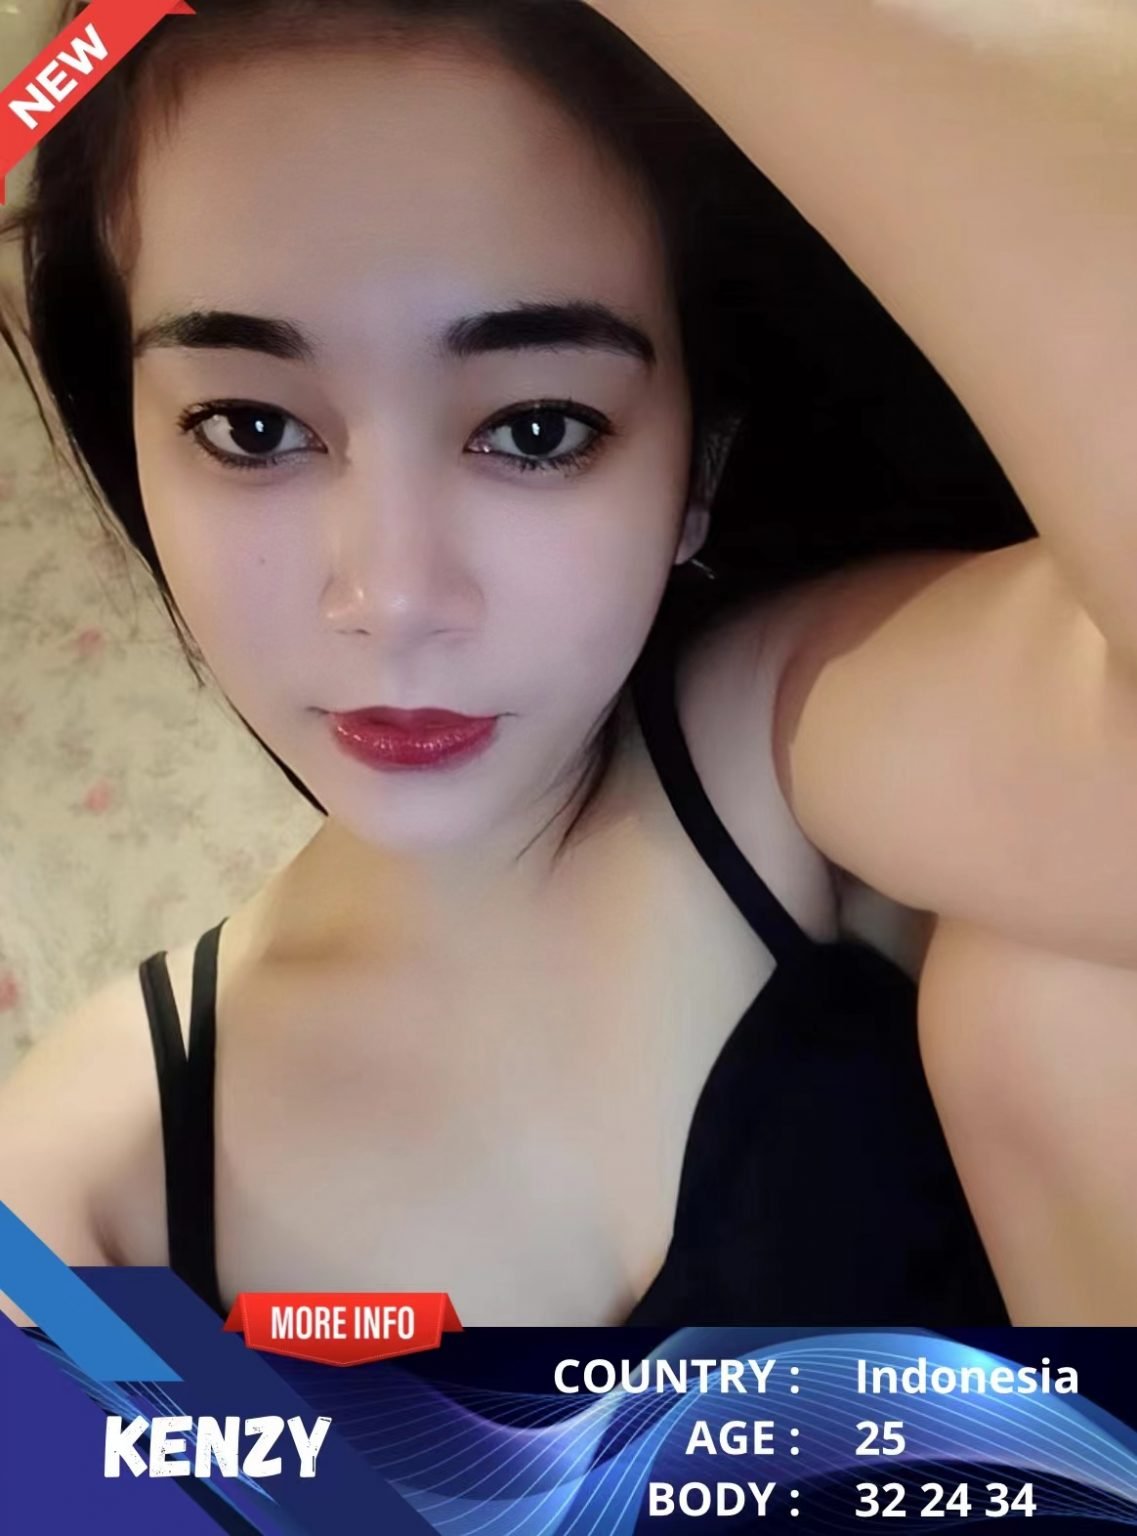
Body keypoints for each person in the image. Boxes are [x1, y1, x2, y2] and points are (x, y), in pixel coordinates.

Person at [0, 0, 1133, 1328]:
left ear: (695, 468)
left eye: (537, 429)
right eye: (250, 427)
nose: (392, 599)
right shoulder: (69, 1199)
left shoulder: (780, 735)